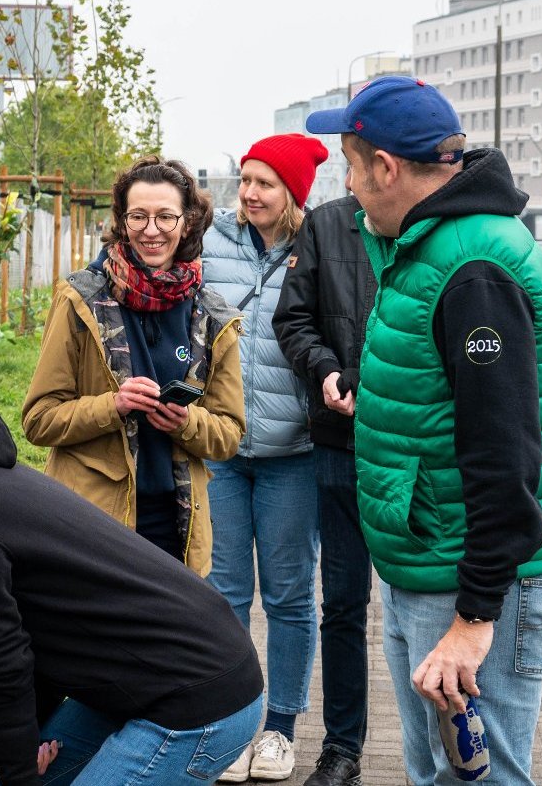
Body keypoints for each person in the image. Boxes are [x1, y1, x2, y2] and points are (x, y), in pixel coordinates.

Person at [304, 76, 542, 786]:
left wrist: (475, 614)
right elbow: (452, 393)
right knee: (439, 772)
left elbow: (506, 448)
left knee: (481, 777)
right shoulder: (433, 244)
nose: (350, 188)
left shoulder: (473, 266)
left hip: (474, 581)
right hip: (429, 559)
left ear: (387, 168)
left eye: (352, 168)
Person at [0, 350, 264, 786]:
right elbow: (33, 620)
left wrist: (20, 772)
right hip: (157, 676)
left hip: (200, 698)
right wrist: (27, 737)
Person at [22, 155, 245, 571]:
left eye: (165, 216)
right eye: (138, 216)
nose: (151, 230)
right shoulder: (81, 300)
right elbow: (39, 419)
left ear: (188, 221)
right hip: (91, 520)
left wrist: (185, 423)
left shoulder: (212, 317)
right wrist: (113, 406)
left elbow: (229, 433)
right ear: (122, 221)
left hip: (174, 523)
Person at [199, 134, 327, 783]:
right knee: (222, 592)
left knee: (287, 596)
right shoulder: (211, 239)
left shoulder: (320, 248)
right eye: (245, 179)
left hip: (292, 453)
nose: (249, 193)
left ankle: (280, 727)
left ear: (294, 193)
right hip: (220, 448)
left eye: (265, 183)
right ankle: (235, 722)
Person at [272, 187, 377, 786]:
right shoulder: (329, 224)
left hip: (421, 452)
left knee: (429, 608)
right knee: (342, 603)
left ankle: (451, 752)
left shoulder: (446, 228)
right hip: (339, 444)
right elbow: (295, 317)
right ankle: (342, 750)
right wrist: (326, 370)